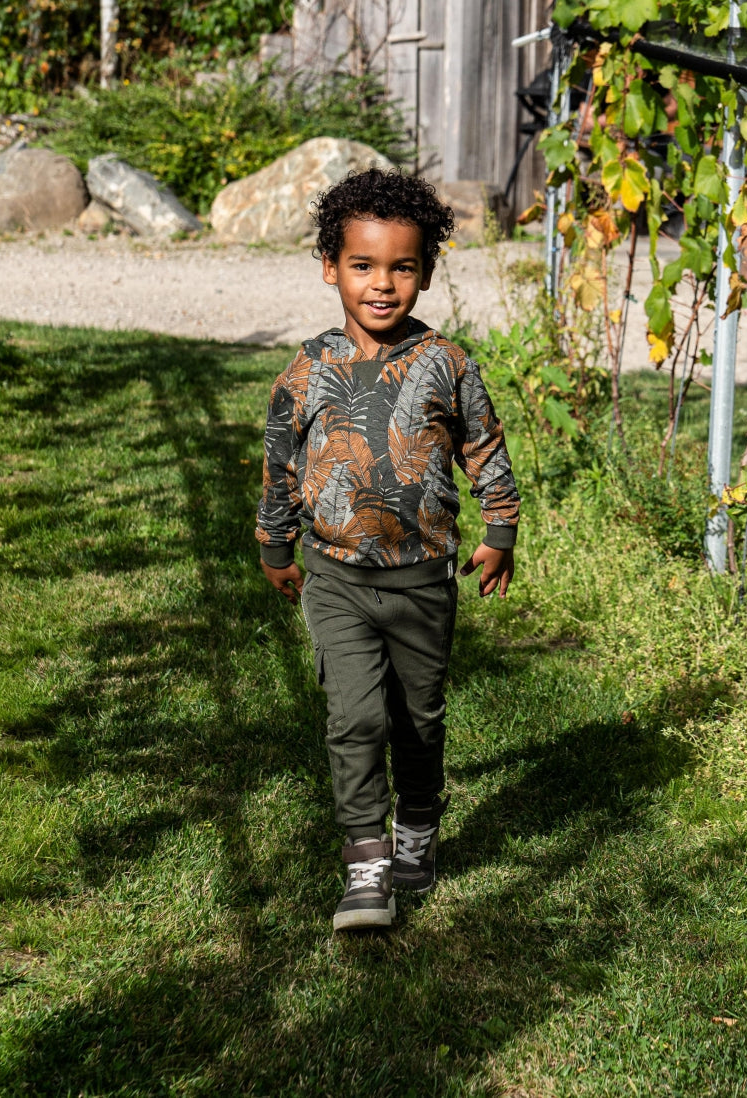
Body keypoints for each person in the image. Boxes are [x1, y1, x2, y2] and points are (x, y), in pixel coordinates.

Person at [256, 167, 520, 932]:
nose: (382, 284)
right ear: (331, 267)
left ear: (427, 271)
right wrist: (278, 546)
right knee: (355, 720)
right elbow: (281, 465)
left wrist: (499, 529)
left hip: (423, 584)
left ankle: (417, 829)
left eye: (402, 267)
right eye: (363, 265)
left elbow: (484, 448)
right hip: (335, 579)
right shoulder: (306, 372)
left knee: (419, 723)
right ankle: (366, 865)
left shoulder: (448, 363)